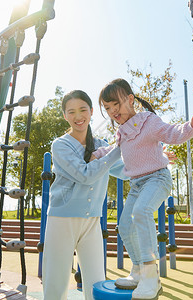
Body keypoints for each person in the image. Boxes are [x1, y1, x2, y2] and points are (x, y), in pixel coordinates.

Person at [92, 78, 193, 300]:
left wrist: (192, 127)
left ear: (130, 99)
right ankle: (138, 270)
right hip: (137, 185)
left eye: (116, 104)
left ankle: (151, 276)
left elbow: (172, 133)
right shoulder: (122, 132)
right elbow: (112, 151)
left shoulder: (148, 121)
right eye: (107, 108)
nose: (113, 111)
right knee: (124, 226)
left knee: (141, 212)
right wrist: (94, 154)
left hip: (158, 179)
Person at [41, 90, 128, 300]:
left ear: (91, 111)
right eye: (71, 112)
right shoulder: (60, 145)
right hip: (63, 220)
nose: (78, 116)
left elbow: (123, 170)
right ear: (65, 115)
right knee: (56, 283)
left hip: (92, 221)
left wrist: (156, 161)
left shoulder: (100, 145)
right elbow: (85, 175)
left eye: (83, 110)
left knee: (97, 282)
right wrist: (119, 147)